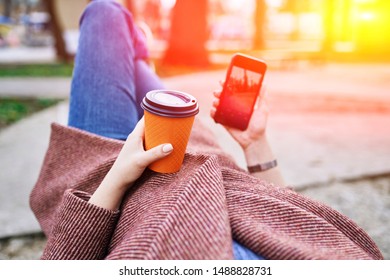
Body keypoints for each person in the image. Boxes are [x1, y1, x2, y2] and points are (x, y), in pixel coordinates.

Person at [30, 0, 383, 260]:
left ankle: (137, 53)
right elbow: (286, 211)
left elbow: (64, 260)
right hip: (187, 139)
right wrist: (256, 144)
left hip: (109, 163)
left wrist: (119, 175)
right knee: (125, 45)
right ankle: (137, 56)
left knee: (104, 14)